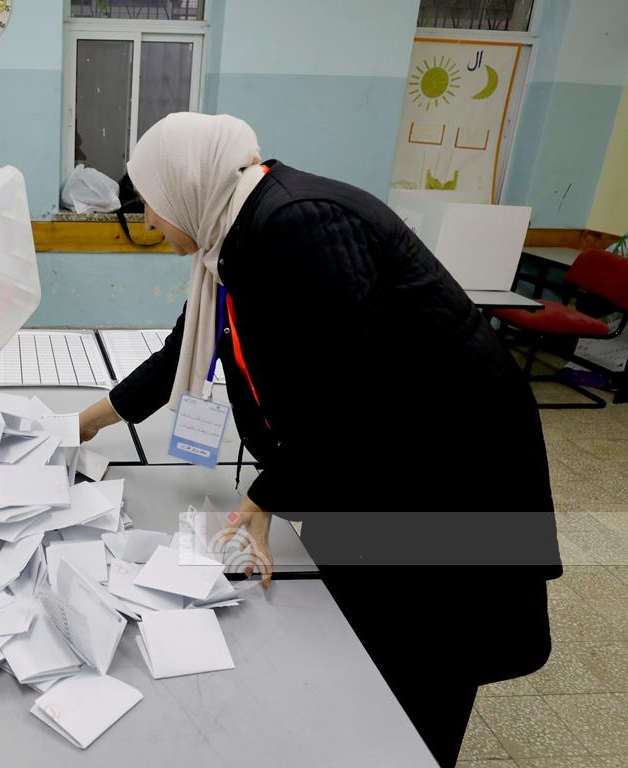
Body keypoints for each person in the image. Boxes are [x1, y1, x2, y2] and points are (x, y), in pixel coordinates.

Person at [79, 113, 561, 767]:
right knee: (365, 643)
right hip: (380, 466)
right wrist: (79, 426)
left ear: (183, 184)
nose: (154, 227)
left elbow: (343, 391)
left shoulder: (297, 223)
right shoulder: (236, 237)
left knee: (425, 657)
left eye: (151, 209)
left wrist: (262, 495)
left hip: (449, 479)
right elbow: (181, 356)